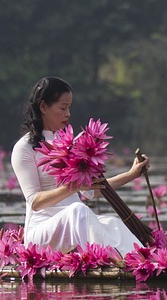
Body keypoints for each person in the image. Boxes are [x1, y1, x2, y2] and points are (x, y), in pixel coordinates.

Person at [11, 76, 150, 255]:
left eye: (69, 107)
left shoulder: (70, 143)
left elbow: (92, 190)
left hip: (76, 222)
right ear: (43, 107)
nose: (68, 113)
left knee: (112, 223)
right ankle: (122, 262)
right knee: (78, 210)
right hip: (42, 232)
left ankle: (142, 259)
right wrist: (73, 187)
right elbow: (35, 202)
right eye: (62, 107)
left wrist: (131, 174)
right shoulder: (24, 148)